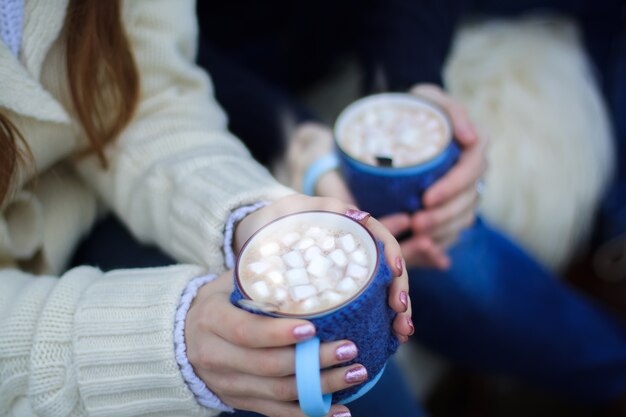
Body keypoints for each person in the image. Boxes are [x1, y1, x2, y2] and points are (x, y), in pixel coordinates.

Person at [195, 0, 626, 407]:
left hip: (353, 46)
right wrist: (292, 136)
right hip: (221, 127)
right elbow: (165, 71)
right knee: (417, 272)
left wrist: (409, 85)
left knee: (434, 237)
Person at [0, 1, 419, 416]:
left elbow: (146, 98)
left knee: (345, 365)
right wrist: (166, 342)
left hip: (99, 203)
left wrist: (247, 212)